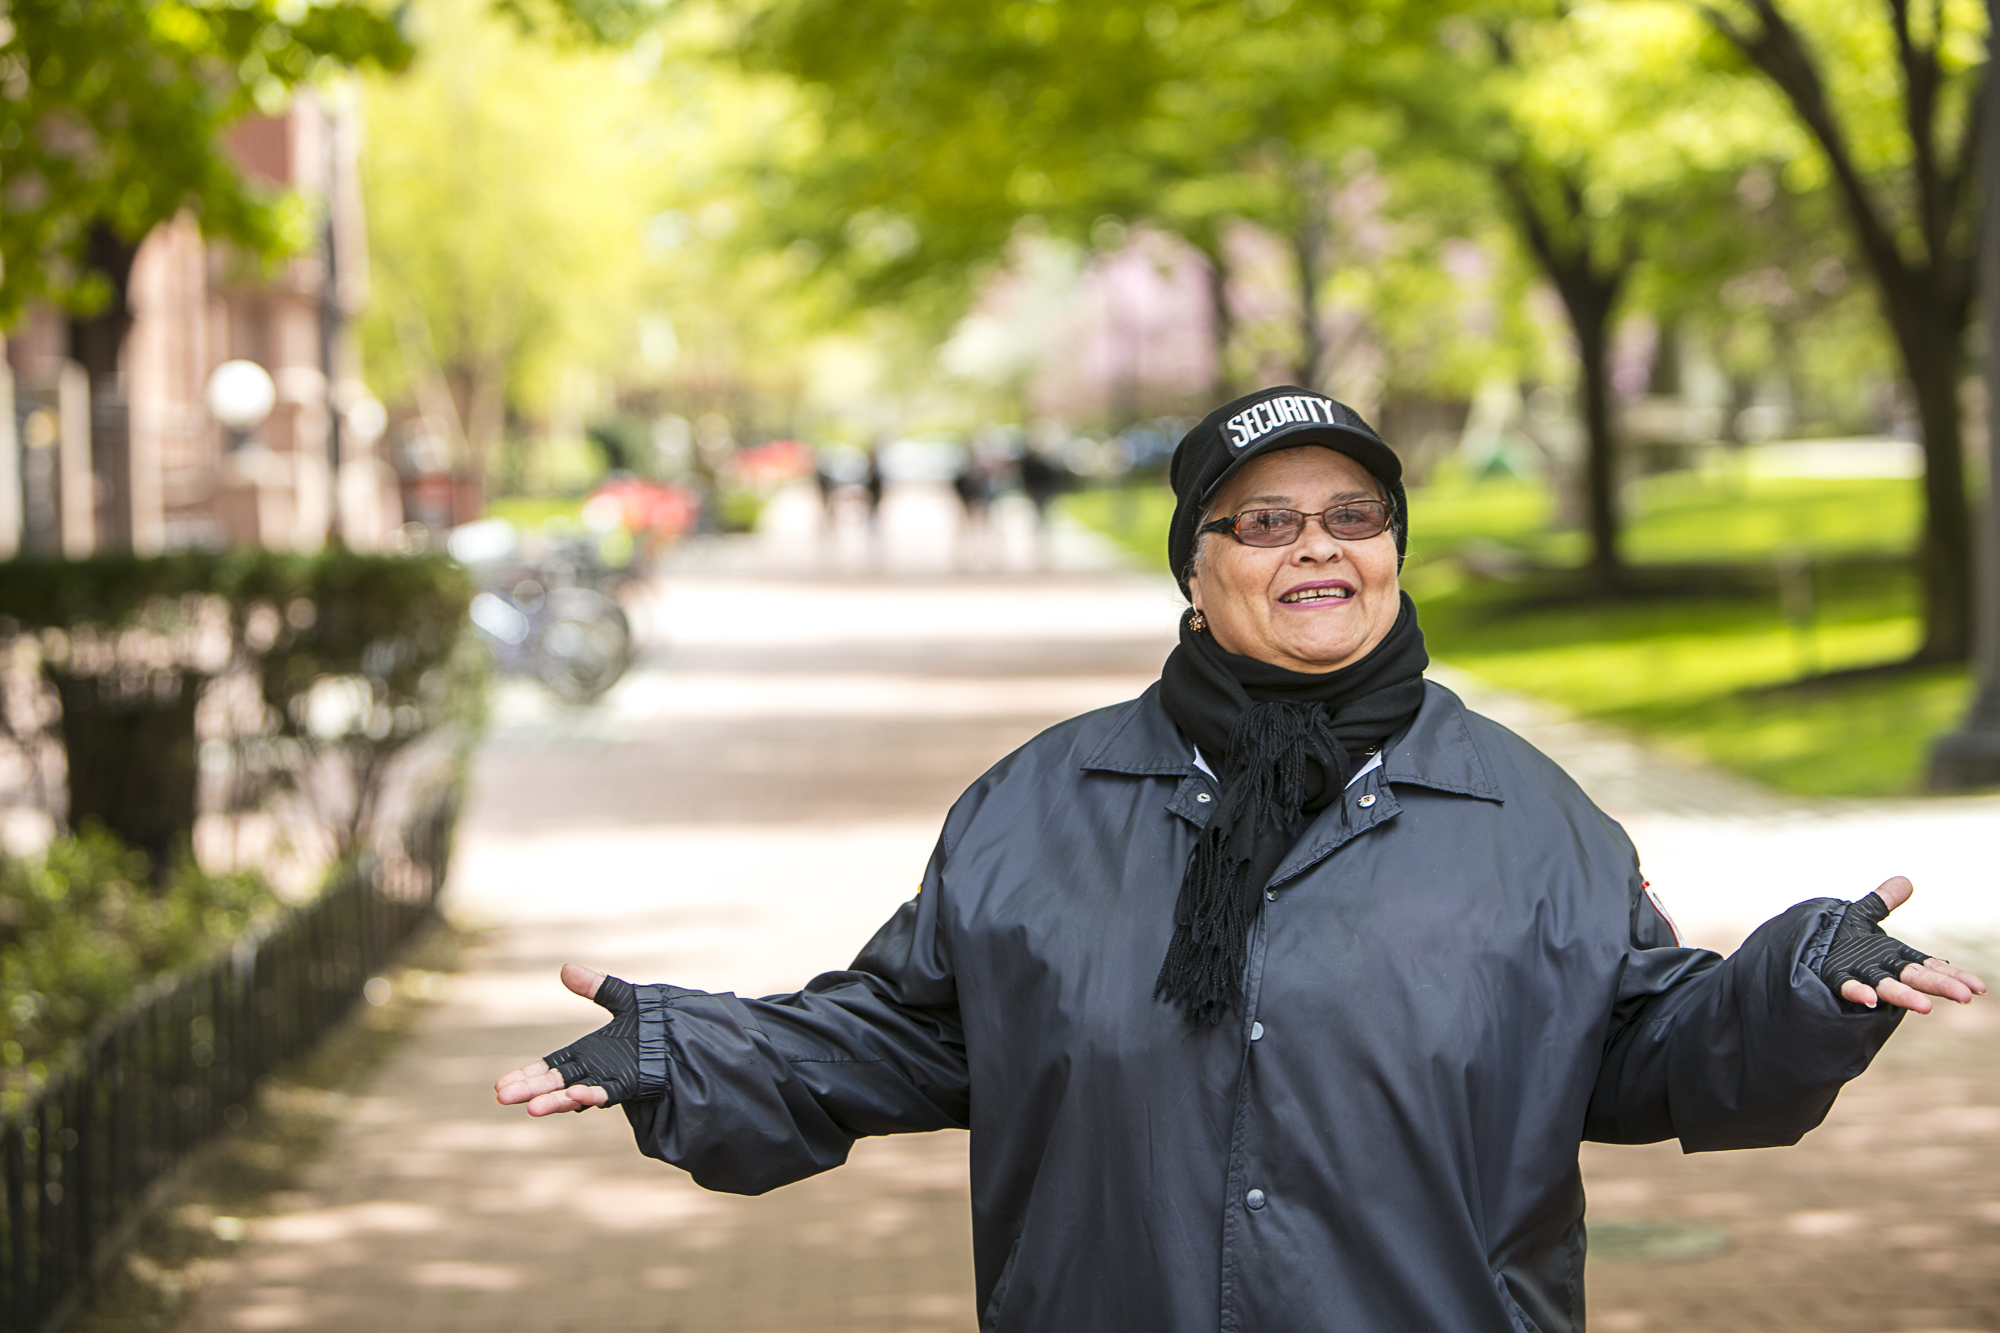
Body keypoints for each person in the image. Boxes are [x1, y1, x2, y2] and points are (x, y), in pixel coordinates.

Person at [496, 385, 1984, 1333]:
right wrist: (689, 1050)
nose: (1315, 549)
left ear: (1395, 548)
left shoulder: (1527, 811)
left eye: (1353, 516)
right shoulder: (1037, 804)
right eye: (1263, 522)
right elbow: (904, 1030)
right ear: (1196, 577)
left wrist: (1798, 982)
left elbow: (1638, 1047)